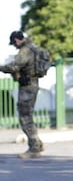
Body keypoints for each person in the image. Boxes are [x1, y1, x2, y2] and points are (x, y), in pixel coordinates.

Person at [0, 31, 44, 159]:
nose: (14, 46)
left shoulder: (25, 51)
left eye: (14, 43)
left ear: (17, 40)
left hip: (27, 86)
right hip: (33, 84)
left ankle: (34, 149)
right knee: (28, 115)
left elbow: (14, 67)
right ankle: (38, 144)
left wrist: (1, 67)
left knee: (25, 117)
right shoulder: (34, 48)